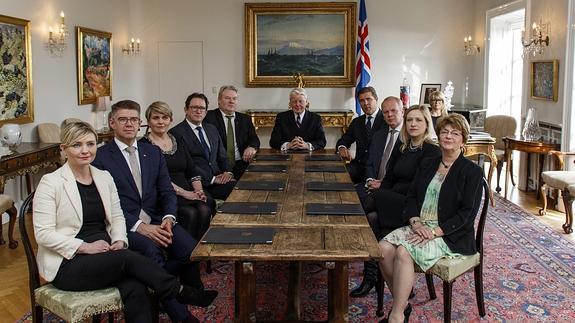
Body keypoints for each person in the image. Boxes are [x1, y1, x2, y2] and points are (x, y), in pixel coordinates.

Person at [33, 122, 214, 323]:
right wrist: (85, 247)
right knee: (127, 259)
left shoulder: (103, 177)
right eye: (77, 145)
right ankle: (177, 290)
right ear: (63, 149)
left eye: (90, 144)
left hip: (106, 253)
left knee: (136, 287)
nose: (85, 150)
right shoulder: (51, 182)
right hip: (68, 262)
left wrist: (119, 240)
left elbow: (117, 217)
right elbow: (43, 234)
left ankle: (181, 307)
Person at [92, 100, 217, 323]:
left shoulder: (153, 152)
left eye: (133, 119)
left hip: (158, 218)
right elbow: (106, 204)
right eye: (123, 119)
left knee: (191, 250)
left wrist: (169, 218)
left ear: (140, 123)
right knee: (152, 254)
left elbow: (167, 191)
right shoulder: (100, 157)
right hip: (124, 224)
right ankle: (181, 316)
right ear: (112, 123)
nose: (129, 124)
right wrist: (141, 227)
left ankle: (151, 283)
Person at [378, 114, 484, 323]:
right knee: (382, 249)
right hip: (420, 225)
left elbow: (467, 213)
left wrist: (435, 232)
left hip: (448, 234)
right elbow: (412, 197)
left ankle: (397, 315)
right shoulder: (428, 163)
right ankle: (403, 303)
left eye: (455, 133)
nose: (448, 136)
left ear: (463, 139)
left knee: (403, 252)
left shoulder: (472, 171)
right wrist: (416, 222)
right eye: (444, 132)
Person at [350, 96, 404, 298]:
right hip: (375, 188)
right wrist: (371, 180)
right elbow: (370, 164)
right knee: (363, 211)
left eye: (394, 111)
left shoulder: (409, 138)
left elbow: (407, 177)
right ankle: (372, 274)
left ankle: (370, 274)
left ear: (402, 111)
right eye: (386, 112)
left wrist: (384, 185)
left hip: (394, 194)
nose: (389, 115)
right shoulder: (380, 135)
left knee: (361, 210)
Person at [140, 101, 213, 240]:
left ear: (171, 120)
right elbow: (157, 178)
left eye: (165, 117)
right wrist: (186, 194)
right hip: (164, 193)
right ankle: (187, 252)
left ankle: (199, 250)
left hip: (187, 190)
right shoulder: (144, 146)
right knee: (190, 213)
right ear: (148, 121)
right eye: (156, 118)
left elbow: (191, 169)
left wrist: (198, 191)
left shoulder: (178, 138)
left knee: (205, 208)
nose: (161, 122)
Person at [367, 105, 440, 240]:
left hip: (413, 203)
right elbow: (388, 178)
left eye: (418, 120)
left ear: (427, 124)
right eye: (409, 120)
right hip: (394, 198)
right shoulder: (402, 148)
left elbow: (419, 187)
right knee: (371, 217)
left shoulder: (432, 151)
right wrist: (385, 195)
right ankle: (374, 259)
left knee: (367, 200)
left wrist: (385, 194)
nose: (413, 124)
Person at [170, 93, 236, 201]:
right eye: (194, 107)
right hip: (195, 184)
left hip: (218, 181)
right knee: (208, 203)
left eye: (202, 108)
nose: (198, 111)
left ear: (206, 112)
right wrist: (212, 179)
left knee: (239, 189)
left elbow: (222, 156)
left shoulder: (212, 129)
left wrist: (228, 172)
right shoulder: (176, 133)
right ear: (186, 109)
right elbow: (187, 165)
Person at [204, 85, 260, 179]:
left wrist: (252, 147)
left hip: (241, 163)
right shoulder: (209, 117)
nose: (231, 101)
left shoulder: (245, 119)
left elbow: (254, 139)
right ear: (219, 100)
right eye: (227, 98)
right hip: (218, 167)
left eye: (234, 98)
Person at [336, 86, 385, 184]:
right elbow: (344, 140)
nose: (365, 103)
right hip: (358, 166)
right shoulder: (357, 122)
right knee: (338, 177)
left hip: (377, 168)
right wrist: (342, 147)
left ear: (376, 99)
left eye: (368, 99)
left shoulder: (386, 120)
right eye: (362, 100)